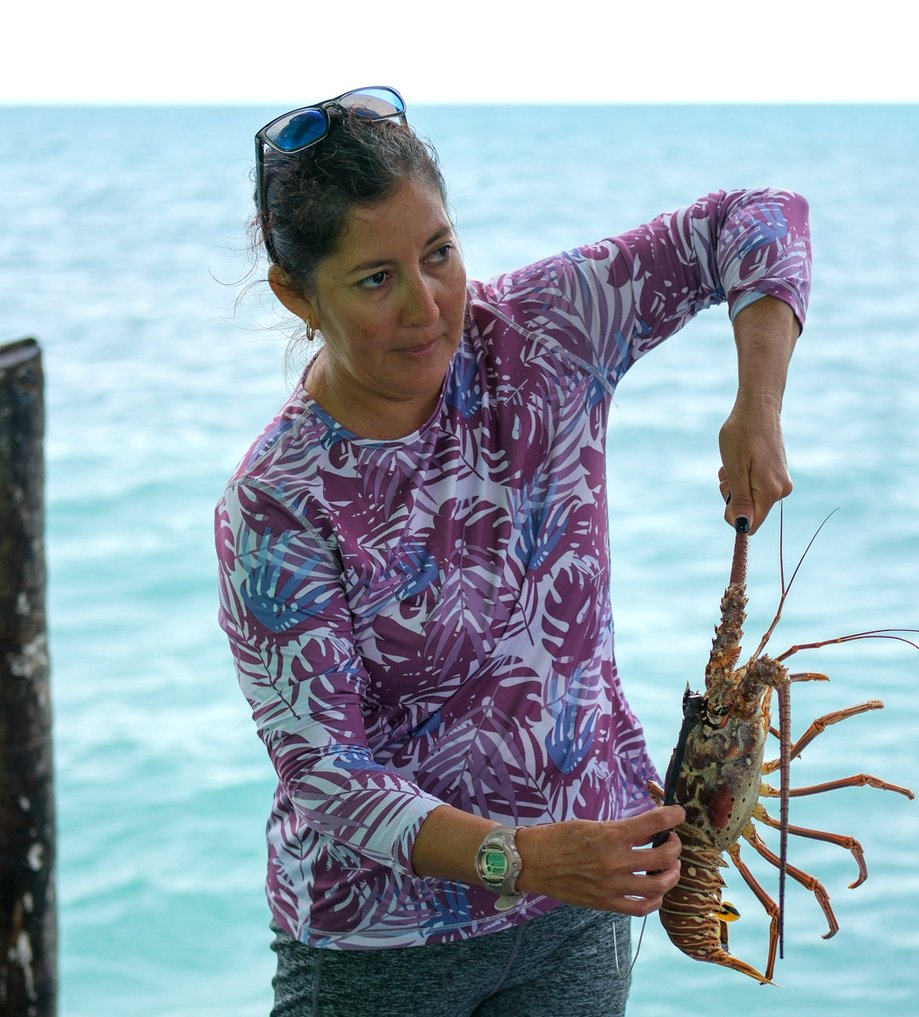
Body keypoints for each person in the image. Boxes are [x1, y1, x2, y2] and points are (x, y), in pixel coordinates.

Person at [214, 86, 811, 1016]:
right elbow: (330, 774)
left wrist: (759, 404)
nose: (430, 306)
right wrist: (526, 856)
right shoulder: (276, 502)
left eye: (439, 253)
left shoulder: (541, 334)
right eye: (376, 279)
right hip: (381, 953)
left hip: (575, 924)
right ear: (298, 293)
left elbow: (755, 218)